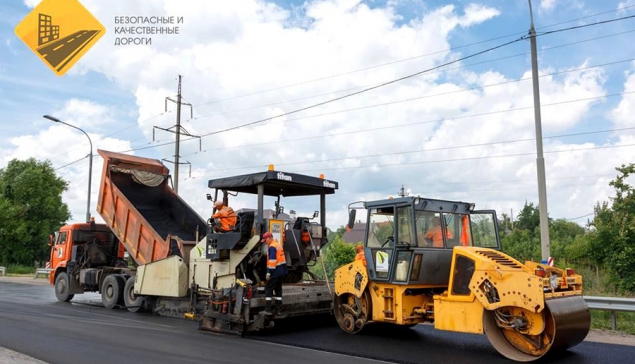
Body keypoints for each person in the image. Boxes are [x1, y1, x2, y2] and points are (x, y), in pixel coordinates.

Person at [262, 231, 288, 315]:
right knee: (278, 290)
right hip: (281, 271)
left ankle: (268, 309)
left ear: (269, 238)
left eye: (265, 240)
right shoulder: (278, 244)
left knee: (268, 289)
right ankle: (278, 309)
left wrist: (269, 272)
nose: (265, 242)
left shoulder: (272, 247)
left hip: (275, 272)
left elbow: (272, 261)